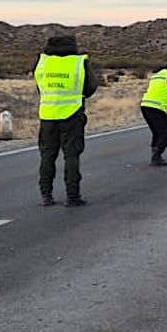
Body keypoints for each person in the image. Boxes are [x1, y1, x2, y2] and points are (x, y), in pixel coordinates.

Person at [35, 34, 100, 206]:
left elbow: (39, 87)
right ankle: (73, 196)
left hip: (47, 115)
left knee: (47, 156)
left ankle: (46, 195)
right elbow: (90, 87)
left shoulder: (42, 63)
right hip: (72, 115)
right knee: (71, 155)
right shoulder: (79, 63)